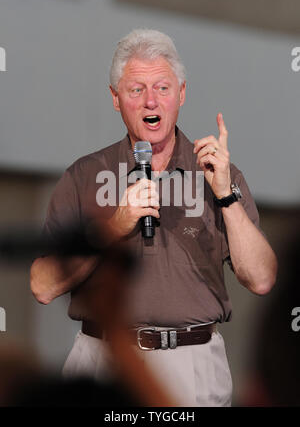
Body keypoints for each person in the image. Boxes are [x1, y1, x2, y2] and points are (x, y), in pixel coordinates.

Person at [30, 29, 277, 407]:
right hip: (103, 359)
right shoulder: (83, 175)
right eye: (135, 90)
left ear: (181, 93)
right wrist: (112, 227)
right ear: (115, 99)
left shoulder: (218, 173)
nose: (151, 101)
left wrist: (226, 195)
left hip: (192, 364)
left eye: (163, 88)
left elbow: (261, 279)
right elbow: (43, 286)